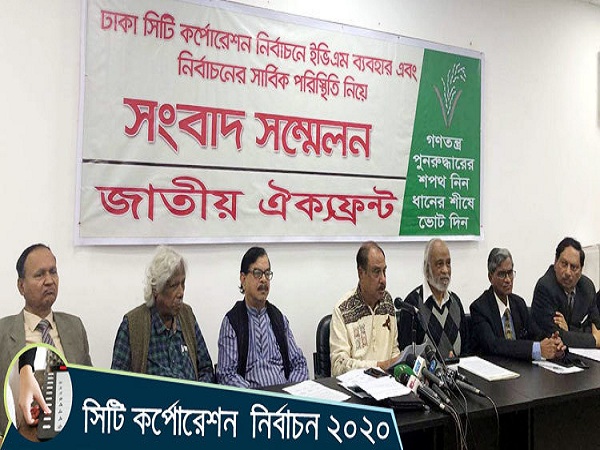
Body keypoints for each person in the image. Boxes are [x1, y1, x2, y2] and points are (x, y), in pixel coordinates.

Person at [0, 243, 92, 433]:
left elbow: (90, 387)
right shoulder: (3, 332)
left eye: (53, 272)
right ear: (21, 286)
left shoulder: (74, 327)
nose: (49, 281)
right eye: (39, 274)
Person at [111, 246, 214, 382]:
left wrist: (198, 391)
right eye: (174, 286)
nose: (181, 292)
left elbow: (206, 369)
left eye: (183, 283)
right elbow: (117, 383)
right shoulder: (132, 325)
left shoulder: (187, 316)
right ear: (156, 289)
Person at [216, 247, 308, 388]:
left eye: (267, 273)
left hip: (284, 395)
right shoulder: (232, 322)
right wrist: (257, 396)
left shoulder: (278, 319)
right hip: (251, 398)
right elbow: (226, 374)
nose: (264, 279)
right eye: (257, 273)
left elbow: (299, 363)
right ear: (243, 279)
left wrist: (290, 390)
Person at [470, 248, 565, 360]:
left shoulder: (518, 303)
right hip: (495, 366)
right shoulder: (480, 308)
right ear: (490, 277)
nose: (508, 280)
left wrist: (552, 343)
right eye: (502, 274)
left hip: (522, 366)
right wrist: (536, 349)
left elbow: (536, 334)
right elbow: (493, 345)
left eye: (510, 273)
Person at [330, 242, 400, 377]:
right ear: (361, 273)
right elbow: (338, 366)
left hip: (387, 384)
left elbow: (393, 351)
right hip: (356, 386)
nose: (383, 280)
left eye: (384, 271)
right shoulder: (342, 309)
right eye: (376, 272)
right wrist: (379, 366)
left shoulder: (387, 301)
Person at [400, 238, 471, 358]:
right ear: (427, 268)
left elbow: (467, 350)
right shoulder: (412, 304)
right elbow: (406, 355)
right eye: (439, 264)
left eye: (448, 263)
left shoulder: (455, 302)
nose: (445, 270)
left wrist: (456, 361)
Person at [531, 237, 600, 348]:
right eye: (564, 264)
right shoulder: (545, 288)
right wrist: (593, 340)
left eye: (574, 267)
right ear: (555, 262)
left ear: (581, 270)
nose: (568, 272)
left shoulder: (587, 287)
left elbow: (597, 327)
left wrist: (569, 330)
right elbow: (555, 336)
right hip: (549, 354)